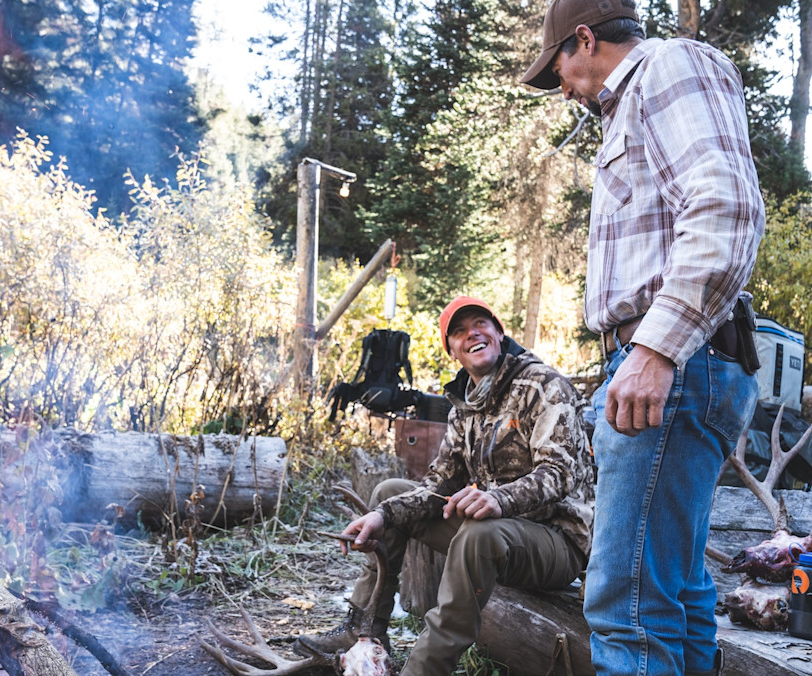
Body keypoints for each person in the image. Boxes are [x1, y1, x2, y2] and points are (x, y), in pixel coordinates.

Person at [521, 2, 765, 675]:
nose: (563, 88)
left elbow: (727, 207)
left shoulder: (669, 67)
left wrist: (654, 351)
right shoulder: (628, 109)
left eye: (559, 71)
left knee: (626, 603)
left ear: (585, 38)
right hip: (690, 362)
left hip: (674, 363)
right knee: (675, 591)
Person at [297, 295, 595, 676]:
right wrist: (381, 516)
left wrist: (498, 499)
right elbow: (437, 485)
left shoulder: (543, 385)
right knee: (389, 493)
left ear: (499, 333)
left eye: (481, 324)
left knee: (478, 535)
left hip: (556, 543)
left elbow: (560, 472)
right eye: (458, 331)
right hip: (497, 531)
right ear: (452, 350)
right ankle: (364, 630)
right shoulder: (463, 406)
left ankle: (423, 670)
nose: (472, 334)